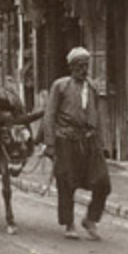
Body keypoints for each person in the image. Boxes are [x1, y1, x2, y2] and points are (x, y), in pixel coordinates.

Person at [43, 46, 111, 240]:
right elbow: (49, 115)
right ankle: (69, 224)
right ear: (72, 67)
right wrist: (50, 144)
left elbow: (98, 115)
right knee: (66, 183)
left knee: (103, 183)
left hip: (89, 141)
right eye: (80, 65)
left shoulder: (92, 88)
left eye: (86, 65)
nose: (84, 69)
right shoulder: (60, 86)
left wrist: (102, 144)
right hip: (66, 140)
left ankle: (90, 219)